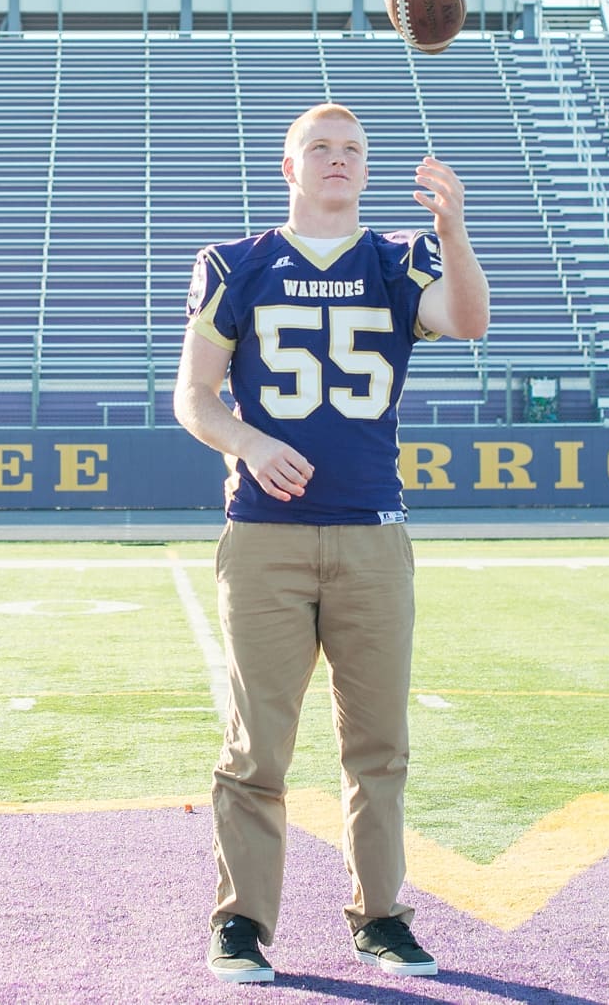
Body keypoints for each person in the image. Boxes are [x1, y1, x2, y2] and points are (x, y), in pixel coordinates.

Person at [173, 102, 490, 985]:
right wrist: (248, 440)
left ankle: (382, 918)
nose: (339, 160)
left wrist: (454, 230)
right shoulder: (236, 264)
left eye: (353, 148)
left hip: (372, 535)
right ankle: (240, 924)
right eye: (321, 147)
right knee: (256, 747)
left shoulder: (398, 258)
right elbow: (193, 395)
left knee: (379, 744)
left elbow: (469, 322)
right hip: (266, 538)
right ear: (290, 165)